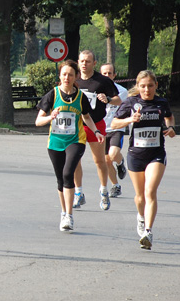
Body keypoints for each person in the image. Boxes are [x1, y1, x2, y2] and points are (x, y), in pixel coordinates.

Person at [36, 60, 105, 232]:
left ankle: (69, 216)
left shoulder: (80, 96)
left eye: (71, 75)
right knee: (61, 179)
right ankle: (63, 212)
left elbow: (87, 117)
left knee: (68, 173)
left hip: (76, 140)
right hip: (55, 142)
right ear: (60, 76)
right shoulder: (52, 95)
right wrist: (50, 117)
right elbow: (38, 121)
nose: (67, 77)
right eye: (64, 74)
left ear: (76, 77)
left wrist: (96, 131)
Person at [111, 70, 175, 250]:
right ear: (138, 87)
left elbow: (169, 117)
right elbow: (114, 123)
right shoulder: (131, 102)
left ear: (156, 86)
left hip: (156, 154)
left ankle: (148, 231)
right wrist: (130, 119)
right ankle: (141, 217)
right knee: (140, 197)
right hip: (135, 154)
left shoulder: (161, 102)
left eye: (150, 86)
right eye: (143, 86)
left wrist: (170, 128)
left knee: (150, 192)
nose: (147, 89)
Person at [73, 51, 121, 211]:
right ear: (78, 62)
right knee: (75, 161)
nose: (84, 64)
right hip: (77, 125)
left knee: (100, 161)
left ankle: (104, 191)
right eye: (82, 61)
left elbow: (118, 99)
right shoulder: (74, 79)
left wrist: (107, 99)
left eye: (87, 61)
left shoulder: (103, 81)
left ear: (94, 63)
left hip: (97, 125)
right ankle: (78, 193)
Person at [100, 63, 129, 198]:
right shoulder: (96, 90)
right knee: (106, 161)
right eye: (104, 73)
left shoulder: (122, 91)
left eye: (109, 73)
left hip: (116, 128)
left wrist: (107, 99)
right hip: (101, 129)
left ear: (114, 75)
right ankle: (115, 186)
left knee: (113, 154)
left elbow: (117, 102)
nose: (107, 76)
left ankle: (120, 162)